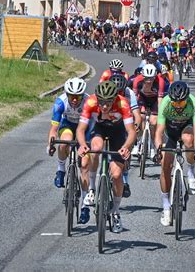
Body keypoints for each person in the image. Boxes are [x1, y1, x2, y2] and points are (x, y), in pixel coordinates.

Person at [76, 81, 136, 233]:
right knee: (95, 149)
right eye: (101, 102)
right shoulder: (90, 102)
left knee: (116, 175)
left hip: (118, 133)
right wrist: (83, 145)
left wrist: (125, 147)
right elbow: (81, 129)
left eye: (108, 103)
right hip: (100, 130)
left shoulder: (123, 103)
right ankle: (91, 189)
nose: (104, 106)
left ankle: (115, 211)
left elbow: (132, 131)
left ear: (115, 98)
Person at [153, 81, 195, 226]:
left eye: (181, 103)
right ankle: (166, 207)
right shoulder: (166, 103)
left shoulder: (194, 103)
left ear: (187, 98)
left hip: (186, 128)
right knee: (164, 167)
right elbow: (159, 131)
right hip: (171, 131)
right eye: (175, 103)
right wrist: (158, 150)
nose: (178, 106)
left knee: (188, 140)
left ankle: (191, 173)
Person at [47, 77, 93, 224]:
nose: (74, 100)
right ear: (66, 94)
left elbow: (93, 125)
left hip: (85, 128)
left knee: (85, 165)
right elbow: (54, 130)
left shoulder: (89, 102)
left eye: (78, 96)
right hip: (67, 124)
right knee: (64, 141)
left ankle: (85, 205)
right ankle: (61, 170)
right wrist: (51, 144)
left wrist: (86, 144)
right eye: (71, 96)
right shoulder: (60, 102)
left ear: (82, 95)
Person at [110, 74, 142, 198]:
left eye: (121, 92)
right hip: (110, 121)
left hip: (124, 121)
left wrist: (136, 127)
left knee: (126, 147)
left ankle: (125, 180)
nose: (118, 95)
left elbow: (137, 115)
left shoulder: (129, 94)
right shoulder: (106, 93)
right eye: (116, 92)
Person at [132, 64, 166, 157]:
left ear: (155, 76)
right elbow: (134, 98)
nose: (149, 81)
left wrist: (160, 114)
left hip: (155, 100)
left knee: (154, 122)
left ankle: (152, 144)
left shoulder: (160, 82)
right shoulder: (137, 81)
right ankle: (138, 142)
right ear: (143, 76)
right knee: (140, 117)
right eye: (147, 78)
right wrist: (135, 112)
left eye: (151, 78)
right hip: (142, 99)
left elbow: (160, 100)